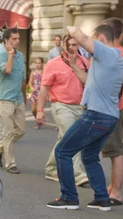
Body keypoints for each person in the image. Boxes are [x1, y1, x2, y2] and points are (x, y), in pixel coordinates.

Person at [47, 24, 123, 211]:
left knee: (62, 151)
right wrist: (74, 64)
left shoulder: (107, 52)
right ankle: (102, 198)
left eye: (93, 39)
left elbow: (78, 35)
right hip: (108, 116)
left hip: (96, 115)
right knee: (89, 156)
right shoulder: (114, 60)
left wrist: (69, 28)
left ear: (100, 38)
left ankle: (69, 198)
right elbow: (87, 80)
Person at [35, 35, 89, 187]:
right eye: (70, 44)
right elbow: (44, 88)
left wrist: (74, 65)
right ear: (63, 46)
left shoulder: (83, 62)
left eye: (75, 44)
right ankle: (78, 173)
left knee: (63, 138)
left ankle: (51, 168)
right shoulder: (53, 64)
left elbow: (88, 83)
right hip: (61, 106)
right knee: (74, 137)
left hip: (80, 107)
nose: (73, 48)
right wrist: (40, 111)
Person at [99, 17, 123, 207]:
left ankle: (116, 192)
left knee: (116, 150)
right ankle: (113, 187)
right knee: (113, 150)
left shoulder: (116, 54)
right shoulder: (121, 52)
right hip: (116, 106)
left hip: (114, 107)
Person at [0, 28, 27, 174]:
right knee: (8, 132)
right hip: (5, 98)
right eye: (14, 39)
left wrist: (24, 96)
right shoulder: (0, 55)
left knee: (20, 131)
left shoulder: (21, 55)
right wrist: (10, 54)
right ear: (7, 40)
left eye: (18, 38)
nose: (17, 41)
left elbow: (23, 77)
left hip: (18, 98)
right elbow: (7, 70)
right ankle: (10, 163)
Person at [28, 57, 44, 128]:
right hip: (34, 93)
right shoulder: (33, 73)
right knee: (33, 110)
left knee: (38, 109)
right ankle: (38, 119)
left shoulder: (45, 72)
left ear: (42, 64)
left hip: (41, 93)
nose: (37, 65)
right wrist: (31, 87)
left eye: (39, 63)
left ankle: (38, 123)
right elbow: (30, 82)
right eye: (36, 63)